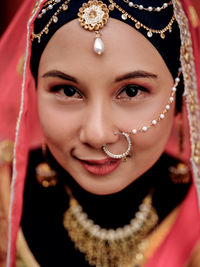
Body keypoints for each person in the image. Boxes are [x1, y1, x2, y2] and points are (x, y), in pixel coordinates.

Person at [0, 0, 200, 266]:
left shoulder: (193, 212)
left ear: (180, 97)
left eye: (131, 91)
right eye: (68, 91)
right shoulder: (4, 196)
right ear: (32, 89)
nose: (97, 135)